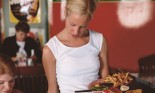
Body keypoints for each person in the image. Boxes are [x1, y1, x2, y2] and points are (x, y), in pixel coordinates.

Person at [42, 0, 109, 93]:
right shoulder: (51, 48)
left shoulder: (99, 40)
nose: (76, 31)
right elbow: (52, 89)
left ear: (90, 20)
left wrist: (100, 89)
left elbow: (107, 81)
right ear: (65, 12)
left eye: (82, 27)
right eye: (72, 24)